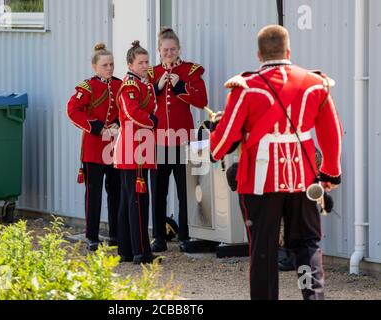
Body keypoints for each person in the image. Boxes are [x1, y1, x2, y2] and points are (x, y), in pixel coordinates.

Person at [209, 25, 343, 300]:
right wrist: (331, 173)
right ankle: (312, 296)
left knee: (263, 250)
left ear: (259, 55)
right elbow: (332, 133)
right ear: (288, 51)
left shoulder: (245, 88)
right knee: (306, 246)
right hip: (304, 179)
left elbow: (224, 141)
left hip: (260, 183)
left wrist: (215, 137)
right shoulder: (315, 84)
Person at [147, 27, 208, 253]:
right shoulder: (152, 73)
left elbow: (202, 101)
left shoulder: (190, 70)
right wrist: (157, 87)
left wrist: (181, 86)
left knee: (184, 191)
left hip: (182, 139)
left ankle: (184, 235)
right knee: (159, 191)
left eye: (173, 49)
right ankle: (159, 237)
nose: (169, 53)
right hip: (160, 139)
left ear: (179, 49)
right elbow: (143, 103)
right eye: (165, 50)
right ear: (159, 50)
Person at [67, 43, 122, 251]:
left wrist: (118, 121)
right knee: (94, 193)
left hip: (114, 146)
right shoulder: (87, 87)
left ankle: (116, 234)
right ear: (95, 67)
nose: (109, 68)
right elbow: (73, 111)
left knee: (115, 191)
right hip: (93, 146)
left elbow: (125, 108)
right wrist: (96, 127)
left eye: (112, 64)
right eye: (105, 65)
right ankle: (92, 236)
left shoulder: (119, 84)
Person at [114, 41, 159, 264]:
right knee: (137, 201)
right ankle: (141, 252)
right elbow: (133, 112)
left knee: (130, 200)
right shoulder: (130, 85)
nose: (144, 65)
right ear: (130, 64)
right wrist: (152, 120)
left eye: (146, 61)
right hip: (134, 147)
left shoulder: (144, 84)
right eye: (140, 62)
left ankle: (127, 250)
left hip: (140, 145)